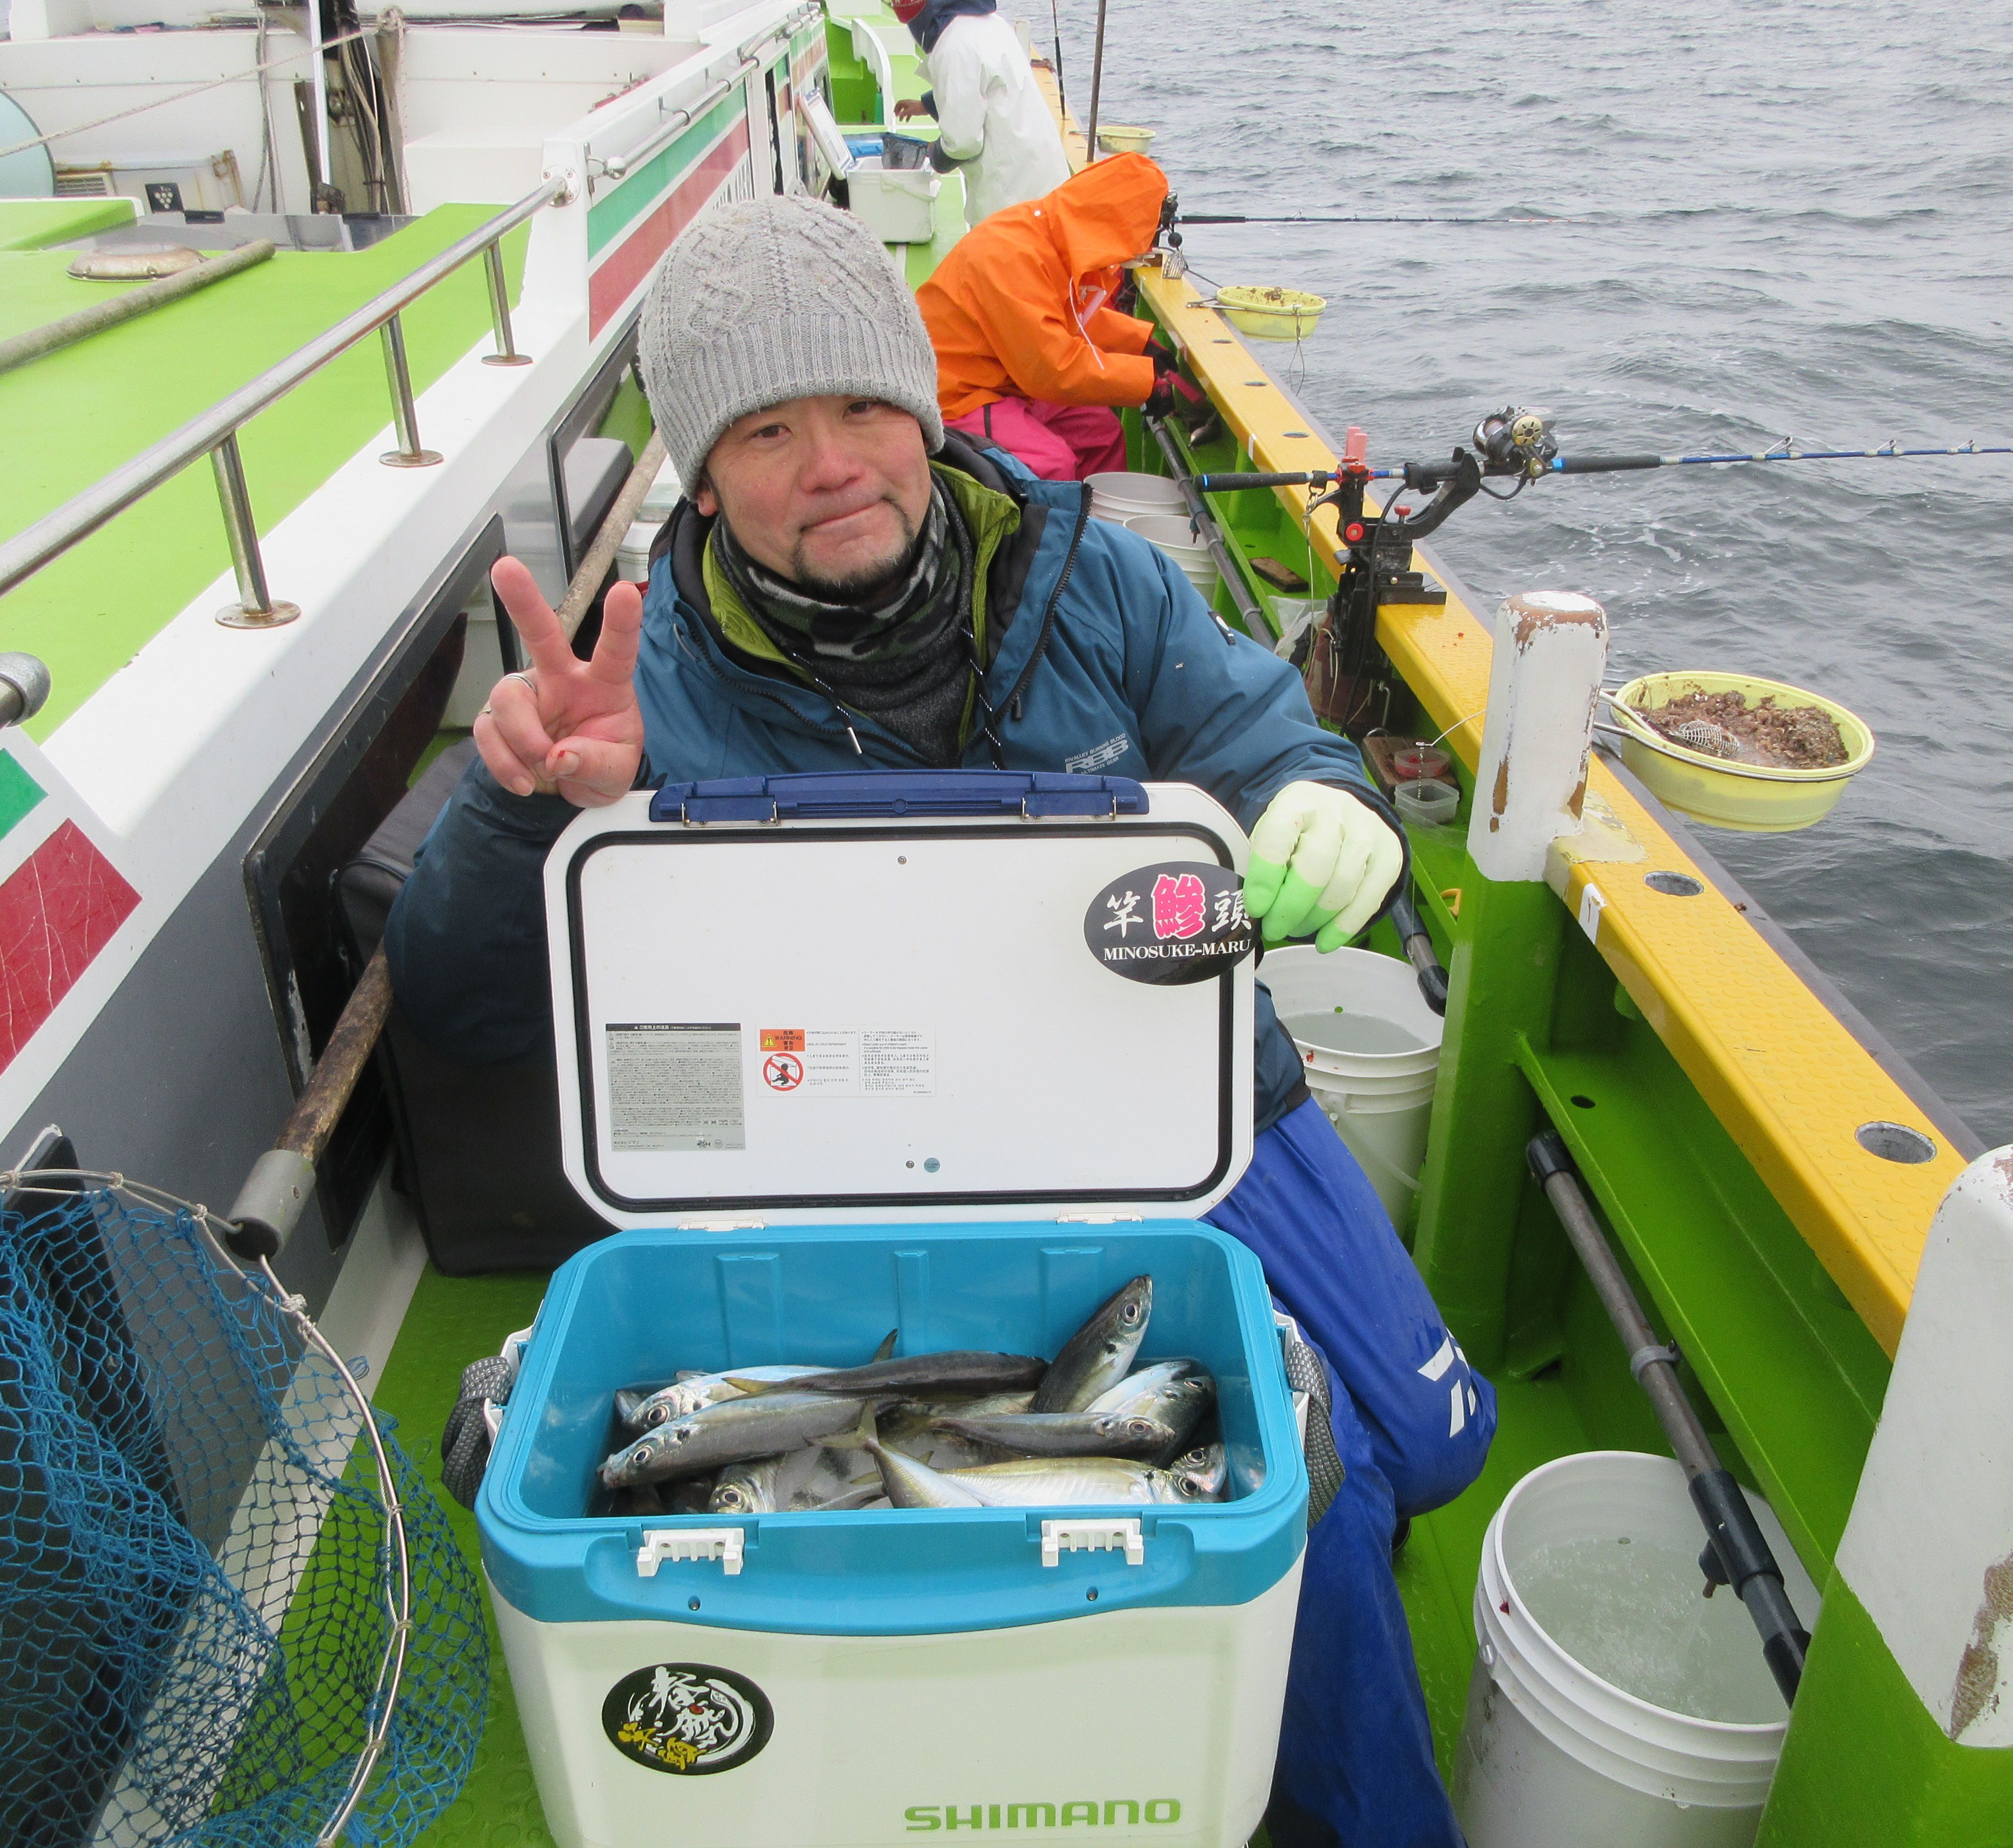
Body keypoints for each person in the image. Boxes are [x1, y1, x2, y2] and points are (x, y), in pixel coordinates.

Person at [384, 196, 1495, 1848]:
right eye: (767, 430)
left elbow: (1269, 738)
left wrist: (1327, 798)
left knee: (1429, 1443)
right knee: (1313, 1502)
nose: (832, 462)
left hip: (1160, 1093)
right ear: (705, 475)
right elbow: (458, 1000)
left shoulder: (1094, 576)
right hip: (843, 1143)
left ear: (925, 412)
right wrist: (522, 804)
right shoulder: (637, 675)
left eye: (861, 407)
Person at [914, 150, 1205, 482]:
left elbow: (1070, 318)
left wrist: (1139, 345)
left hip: (1005, 378)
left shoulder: (1053, 236)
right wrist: (1144, 383)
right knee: (1052, 462)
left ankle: (1095, 515)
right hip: (956, 392)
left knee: (1101, 434)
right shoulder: (1011, 254)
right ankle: (1049, 517)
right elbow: (1050, 369)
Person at [887, 0, 1070, 226]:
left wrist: (934, 154)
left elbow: (963, 143)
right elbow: (987, 87)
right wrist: (927, 105)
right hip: (1042, 178)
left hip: (1012, 197)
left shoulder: (953, 44)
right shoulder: (992, 25)